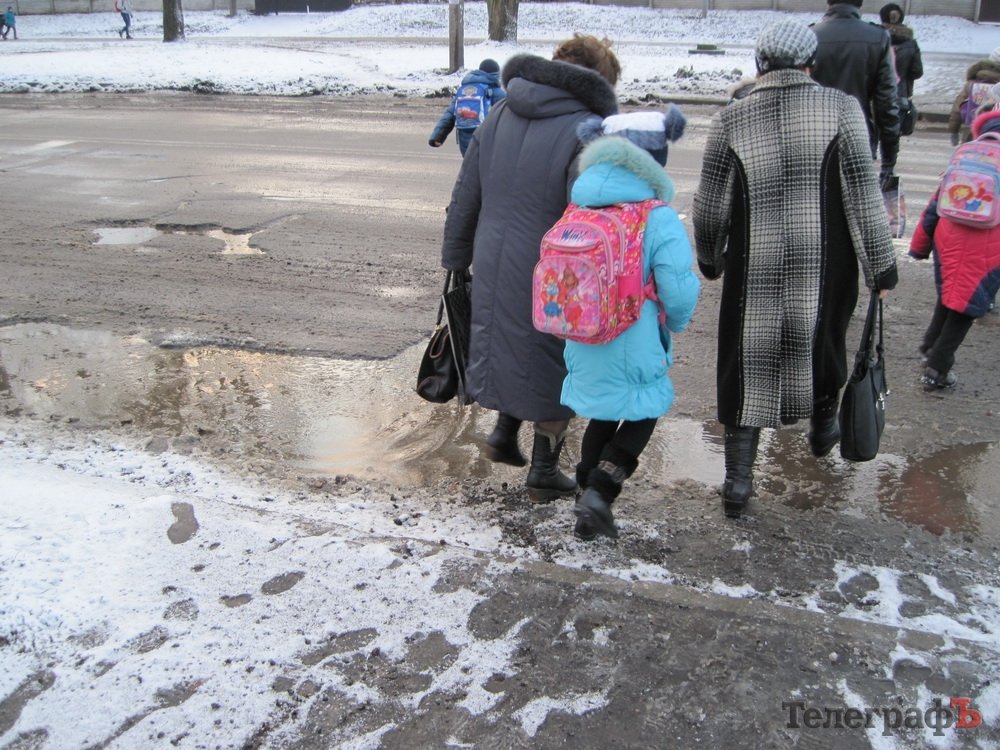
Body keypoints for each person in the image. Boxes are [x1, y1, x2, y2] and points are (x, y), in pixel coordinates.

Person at [692, 19, 898, 519]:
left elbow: (709, 203)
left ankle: (738, 482)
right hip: (826, 261)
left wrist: (710, 255)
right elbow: (864, 196)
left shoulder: (732, 119)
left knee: (747, 358)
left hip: (752, 261)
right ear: (812, 63)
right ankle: (823, 426)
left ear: (760, 64)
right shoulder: (842, 110)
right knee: (822, 339)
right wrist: (881, 266)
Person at [440, 34, 621, 498]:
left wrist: (457, 258)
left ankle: (503, 433)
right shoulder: (588, 127)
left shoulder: (501, 111)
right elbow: (589, 214)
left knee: (509, 343)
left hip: (495, 256)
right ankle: (544, 470)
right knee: (552, 361)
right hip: (555, 269)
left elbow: (466, 195)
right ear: (597, 80)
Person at [559, 109, 701, 540]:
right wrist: (675, 321)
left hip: (582, 333)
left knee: (604, 411)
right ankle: (600, 491)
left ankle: (586, 501)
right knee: (645, 410)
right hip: (632, 335)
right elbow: (677, 289)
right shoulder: (655, 215)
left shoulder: (579, 204)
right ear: (655, 156)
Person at [909, 108, 1000, 390]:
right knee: (967, 307)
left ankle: (929, 347)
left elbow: (936, 203)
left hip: (947, 234)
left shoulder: (965, 152)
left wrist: (920, 245)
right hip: (989, 242)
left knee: (951, 294)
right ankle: (937, 368)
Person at [810, 0, 899, 185]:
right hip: (858, 136)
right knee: (856, 206)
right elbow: (886, 104)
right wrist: (889, 161)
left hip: (812, 136)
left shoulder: (810, 35)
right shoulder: (877, 37)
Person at [428, 59, 506, 157]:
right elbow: (511, 112)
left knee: (470, 170)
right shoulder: (495, 92)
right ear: (496, 75)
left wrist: (437, 136)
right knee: (487, 170)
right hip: (486, 141)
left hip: (464, 142)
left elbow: (449, 115)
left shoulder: (463, 91)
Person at [879, 3, 922, 134]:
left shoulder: (876, 38)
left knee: (874, 136)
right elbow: (917, 71)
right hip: (901, 95)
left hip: (877, 95)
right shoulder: (911, 43)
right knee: (893, 137)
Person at [947, 47, 1000, 146]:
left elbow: (957, 109)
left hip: (971, 131)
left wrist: (953, 131)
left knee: (970, 157)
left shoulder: (972, 84)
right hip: (997, 131)